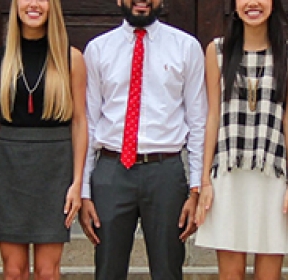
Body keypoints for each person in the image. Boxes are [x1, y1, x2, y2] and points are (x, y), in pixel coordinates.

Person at [78, 0, 207, 278]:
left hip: (165, 172)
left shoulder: (186, 47)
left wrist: (196, 189)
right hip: (111, 172)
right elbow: (88, 123)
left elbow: (198, 123)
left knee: (168, 270)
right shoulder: (98, 49)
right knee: (108, 270)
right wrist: (85, 192)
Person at [193, 0, 288, 278]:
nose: (252, 3)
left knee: (269, 274)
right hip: (229, 175)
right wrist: (205, 181)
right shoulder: (217, 50)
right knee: (230, 273)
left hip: (272, 176)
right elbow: (213, 117)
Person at [0, 0, 87, 279]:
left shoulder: (71, 58)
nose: (34, 5)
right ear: (16, 5)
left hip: (55, 166)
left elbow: (79, 122)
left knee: (47, 271)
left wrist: (77, 183)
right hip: (9, 166)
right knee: (13, 271)